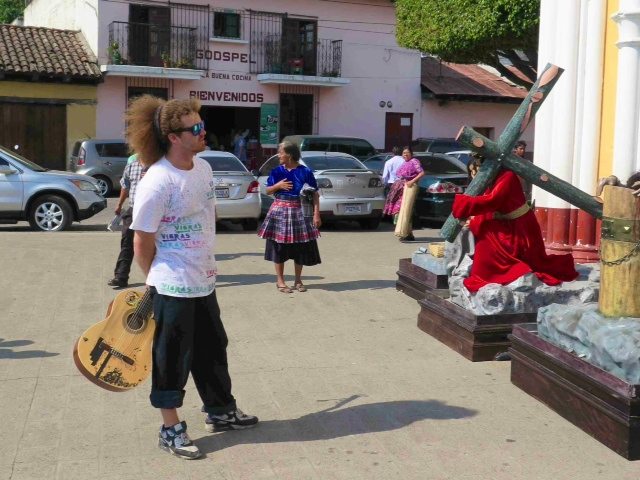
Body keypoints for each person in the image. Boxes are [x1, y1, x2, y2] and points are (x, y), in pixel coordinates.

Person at [126, 95, 258, 460]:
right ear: (173, 137)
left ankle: (221, 410)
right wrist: (153, 279)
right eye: (195, 128)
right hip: (171, 285)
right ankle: (170, 428)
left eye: (202, 125)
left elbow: (205, 216)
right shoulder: (158, 180)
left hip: (203, 280)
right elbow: (142, 239)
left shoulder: (202, 168)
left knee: (213, 349)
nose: (204, 132)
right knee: (171, 358)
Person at [451, 154, 578, 293]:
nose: (476, 175)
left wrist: (462, 203)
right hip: (505, 224)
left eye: (479, 169)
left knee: (489, 243)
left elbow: (492, 200)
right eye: (474, 171)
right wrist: (474, 219)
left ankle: (493, 274)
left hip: (520, 228)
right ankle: (484, 271)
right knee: (484, 232)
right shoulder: (491, 179)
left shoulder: (508, 176)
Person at [258, 141, 321, 293]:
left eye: (281, 152)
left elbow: (315, 194)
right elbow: (268, 191)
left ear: (290, 155)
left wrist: (316, 214)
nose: (279, 155)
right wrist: (278, 186)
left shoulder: (305, 172)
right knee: (279, 246)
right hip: (280, 211)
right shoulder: (277, 171)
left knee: (300, 246)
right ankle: (280, 281)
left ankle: (298, 280)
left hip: (300, 211)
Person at [107, 156, 145, 288]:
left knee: (154, 246)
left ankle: (156, 279)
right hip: (133, 210)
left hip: (153, 212)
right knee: (126, 243)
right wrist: (119, 204)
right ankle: (121, 277)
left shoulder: (160, 165)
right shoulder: (132, 165)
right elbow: (125, 185)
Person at [382, 146, 425, 242]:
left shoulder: (414, 161)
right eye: (403, 153)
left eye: (407, 153)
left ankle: (405, 233)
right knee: (400, 211)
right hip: (401, 188)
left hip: (410, 187)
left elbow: (421, 173)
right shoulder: (405, 162)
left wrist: (412, 181)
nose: (405, 154)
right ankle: (407, 233)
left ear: (411, 153)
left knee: (406, 210)